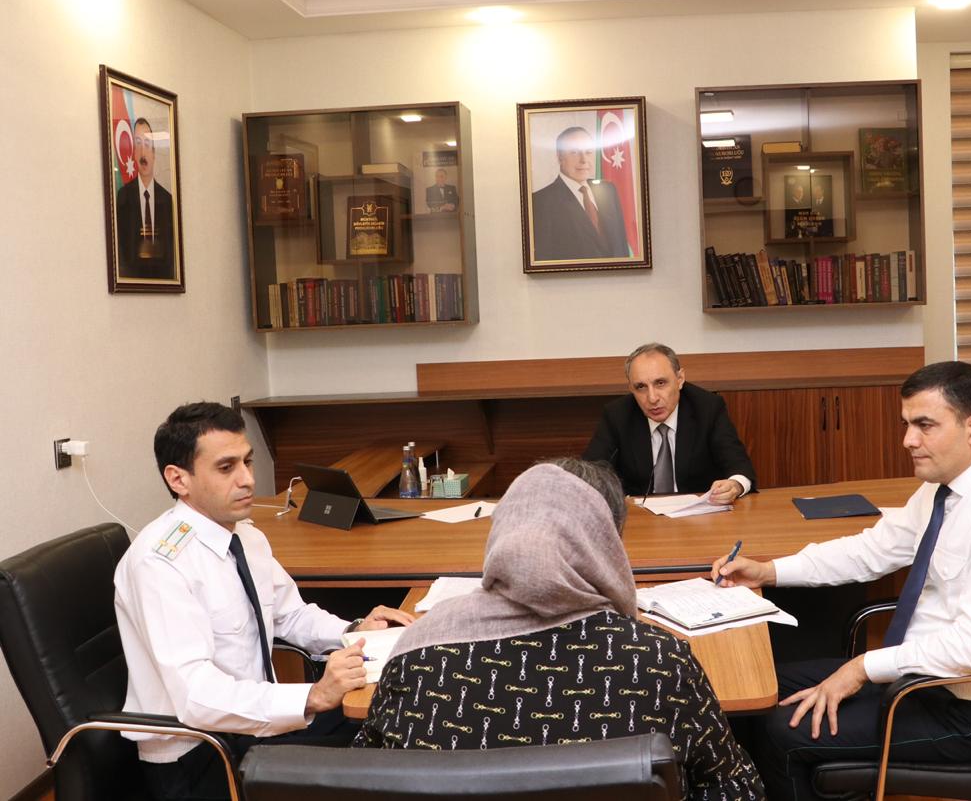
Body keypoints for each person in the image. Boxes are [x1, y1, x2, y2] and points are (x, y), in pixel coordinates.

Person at [712, 361, 971, 801]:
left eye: (924, 425)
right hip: (914, 678)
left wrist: (862, 667)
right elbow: (870, 550)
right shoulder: (944, 487)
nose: (908, 440)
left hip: (965, 710)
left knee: (783, 729)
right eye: (906, 424)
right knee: (762, 690)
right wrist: (769, 571)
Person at [354, 458, 765, 800]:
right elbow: (738, 789)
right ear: (606, 545)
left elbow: (365, 776)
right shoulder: (659, 661)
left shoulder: (416, 653)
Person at [114, 402, 415, 801]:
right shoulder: (160, 563)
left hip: (256, 725)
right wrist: (313, 696)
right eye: (226, 468)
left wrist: (355, 630)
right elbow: (196, 696)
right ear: (178, 479)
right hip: (201, 754)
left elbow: (290, 616)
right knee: (383, 753)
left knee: (395, 717)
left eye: (248, 462)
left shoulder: (246, 536)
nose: (248, 480)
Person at [583, 343, 756, 503]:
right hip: (640, 517)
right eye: (641, 387)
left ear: (680, 379)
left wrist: (734, 485)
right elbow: (590, 473)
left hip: (698, 516)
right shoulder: (618, 415)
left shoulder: (707, 408)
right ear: (631, 388)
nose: (652, 398)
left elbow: (740, 467)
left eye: (660, 383)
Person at [530, 125, 630, 261]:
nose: (584, 160)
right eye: (575, 152)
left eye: (588, 152)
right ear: (560, 156)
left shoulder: (608, 190)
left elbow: (622, 245)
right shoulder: (540, 202)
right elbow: (544, 260)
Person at [114, 117, 176, 279]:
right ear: (134, 153)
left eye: (147, 144)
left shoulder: (167, 200)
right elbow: (121, 252)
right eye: (138, 144)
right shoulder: (123, 197)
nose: (143, 153)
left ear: (154, 153)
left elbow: (171, 254)